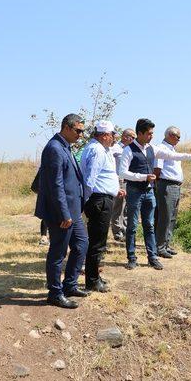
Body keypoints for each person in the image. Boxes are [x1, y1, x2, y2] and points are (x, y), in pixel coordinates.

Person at [119, 118, 191, 270]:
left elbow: (172, 155)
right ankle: (131, 258)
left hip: (148, 191)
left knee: (150, 225)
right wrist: (143, 177)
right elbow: (122, 173)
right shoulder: (128, 150)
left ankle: (152, 257)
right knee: (132, 226)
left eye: (152, 133)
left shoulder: (152, 148)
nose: (151, 136)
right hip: (134, 191)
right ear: (140, 133)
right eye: (149, 133)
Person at [34, 114, 89, 309]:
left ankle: (70, 285)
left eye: (82, 131)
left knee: (82, 245)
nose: (81, 135)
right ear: (66, 127)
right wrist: (64, 213)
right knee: (58, 252)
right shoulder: (54, 148)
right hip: (61, 212)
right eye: (78, 130)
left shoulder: (65, 146)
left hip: (73, 210)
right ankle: (55, 293)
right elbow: (56, 185)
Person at [80, 120, 126, 293]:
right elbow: (90, 180)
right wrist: (89, 201)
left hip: (103, 198)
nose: (115, 138)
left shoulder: (101, 148)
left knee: (99, 241)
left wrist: (115, 190)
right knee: (96, 243)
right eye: (113, 134)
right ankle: (91, 281)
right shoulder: (97, 150)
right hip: (98, 200)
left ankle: (95, 276)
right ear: (105, 135)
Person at [154, 126, 185, 258]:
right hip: (166, 184)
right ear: (169, 135)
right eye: (177, 136)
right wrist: (157, 184)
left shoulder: (172, 149)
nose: (179, 139)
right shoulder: (162, 148)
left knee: (172, 217)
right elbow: (157, 169)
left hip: (175, 186)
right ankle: (159, 246)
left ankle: (165, 244)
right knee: (164, 216)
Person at [109, 128, 136, 241]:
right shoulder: (115, 148)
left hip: (128, 181)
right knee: (118, 207)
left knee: (126, 208)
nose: (134, 140)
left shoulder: (130, 149)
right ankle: (117, 231)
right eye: (132, 138)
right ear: (126, 137)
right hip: (118, 180)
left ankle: (125, 230)